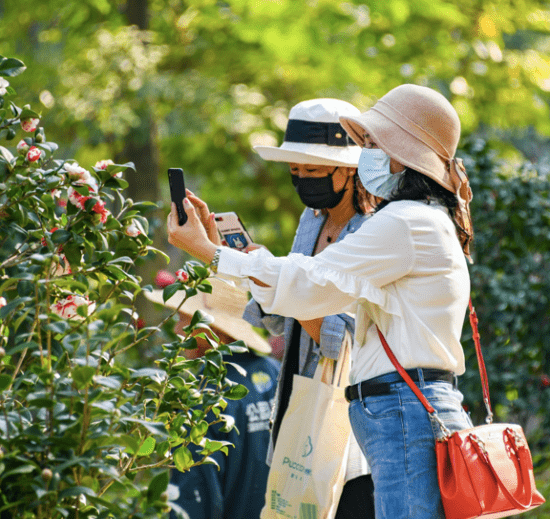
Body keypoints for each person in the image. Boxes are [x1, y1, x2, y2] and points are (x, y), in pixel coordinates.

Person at [166, 83, 475, 519]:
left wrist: (216, 254)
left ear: (400, 152)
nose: (364, 152)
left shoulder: (402, 222)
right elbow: (299, 299)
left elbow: (314, 289)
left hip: (397, 407)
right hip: (382, 405)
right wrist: (239, 262)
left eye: (371, 142)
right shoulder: (408, 219)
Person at [245, 98, 376, 518]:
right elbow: (281, 320)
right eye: (295, 171)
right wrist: (255, 270)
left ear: (348, 169)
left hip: (350, 419)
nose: (302, 181)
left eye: (313, 171)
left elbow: (343, 340)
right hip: (297, 400)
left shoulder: (374, 232)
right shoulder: (311, 219)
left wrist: (286, 285)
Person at [143, 274, 280, 519]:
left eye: (184, 319)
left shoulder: (205, 392)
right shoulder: (276, 373)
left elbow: (195, 494)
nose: (177, 329)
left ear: (212, 327)